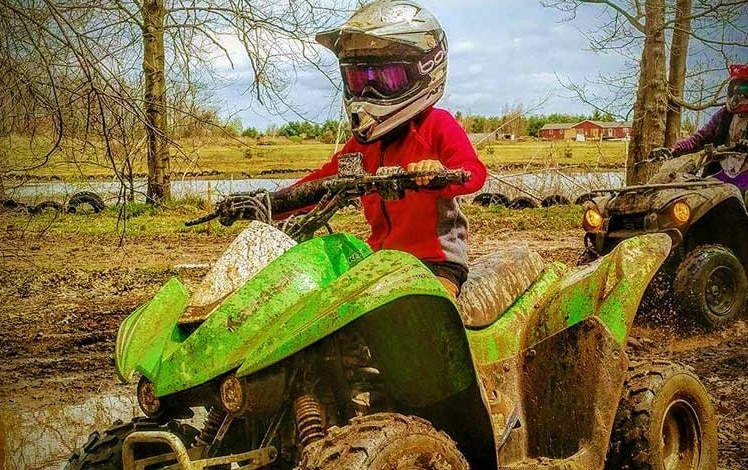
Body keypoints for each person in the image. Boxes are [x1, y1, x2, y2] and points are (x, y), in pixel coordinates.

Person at [282, 0, 487, 297]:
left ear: (425, 68)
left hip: (435, 262)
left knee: (429, 317)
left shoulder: (436, 124)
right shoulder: (363, 144)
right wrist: (271, 202)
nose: (368, 91)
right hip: (380, 259)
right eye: (358, 78)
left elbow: (474, 171)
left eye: (385, 78)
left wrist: (441, 173)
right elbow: (322, 181)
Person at [650, 63, 748, 161]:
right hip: (720, 170)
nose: (738, 96)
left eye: (743, 91)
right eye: (734, 90)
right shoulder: (722, 115)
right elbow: (699, 139)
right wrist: (672, 150)